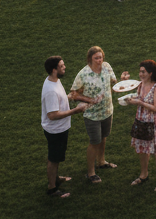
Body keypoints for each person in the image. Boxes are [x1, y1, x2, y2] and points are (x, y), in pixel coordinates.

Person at [69, 46, 128, 183]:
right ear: (90, 59)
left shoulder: (107, 67)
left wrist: (122, 79)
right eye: (96, 58)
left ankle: (101, 162)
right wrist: (90, 100)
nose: (99, 60)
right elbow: (73, 94)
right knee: (94, 142)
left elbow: (114, 85)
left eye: (100, 57)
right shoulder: (83, 74)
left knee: (103, 137)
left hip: (107, 110)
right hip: (92, 115)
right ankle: (91, 173)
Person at [41, 56, 91, 198]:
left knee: (57, 157)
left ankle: (56, 178)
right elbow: (52, 115)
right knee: (54, 158)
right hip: (55, 130)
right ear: (54, 70)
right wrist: (76, 110)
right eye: (62, 66)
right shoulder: (51, 90)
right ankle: (52, 189)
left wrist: (69, 96)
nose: (65, 67)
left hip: (60, 128)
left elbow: (58, 100)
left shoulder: (54, 81)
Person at [126, 60, 156, 190]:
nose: (140, 74)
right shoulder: (141, 85)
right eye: (140, 71)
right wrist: (131, 100)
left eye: (143, 72)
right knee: (142, 148)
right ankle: (143, 175)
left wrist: (139, 103)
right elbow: (137, 97)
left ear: (151, 73)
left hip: (155, 123)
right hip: (141, 120)